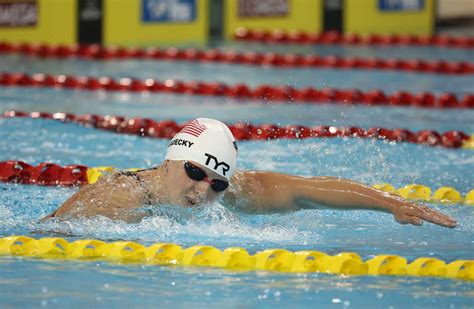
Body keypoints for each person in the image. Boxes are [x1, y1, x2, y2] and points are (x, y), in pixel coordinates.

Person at [42, 118, 457, 228]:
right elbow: (46, 234)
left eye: (217, 183)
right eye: (193, 171)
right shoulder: (120, 200)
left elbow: (308, 191)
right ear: (169, 160)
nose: (203, 190)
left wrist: (390, 205)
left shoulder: (233, 193)